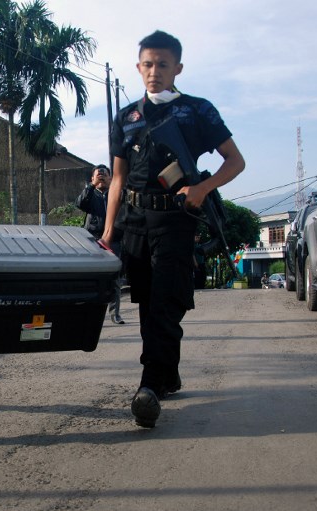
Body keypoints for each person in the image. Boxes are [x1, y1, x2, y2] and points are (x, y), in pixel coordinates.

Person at [100, 30, 245, 428]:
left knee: (166, 300)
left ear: (177, 68)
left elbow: (235, 161)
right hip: (135, 222)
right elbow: (117, 178)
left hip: (176, 220)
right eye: (148, 64)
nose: (154, 72)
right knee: (147, 304)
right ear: (138, 67)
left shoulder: (198, 111)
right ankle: (168, 373)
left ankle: (148, 386)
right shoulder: (126, 116)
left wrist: (202, 187)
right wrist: (109, 232)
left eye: (163, 64)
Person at [76, 164, 125, 324]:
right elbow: (80, 204)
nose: (102, 177)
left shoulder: (118, 195)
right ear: (92, 178)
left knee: (114, 279)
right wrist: (91, 186)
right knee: (91, 278)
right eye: (98, 175)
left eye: (105, 175)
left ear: (111, 178)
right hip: (93, 240)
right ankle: (89, 315)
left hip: (114, 241)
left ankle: (115, 314)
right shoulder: (90, 195)